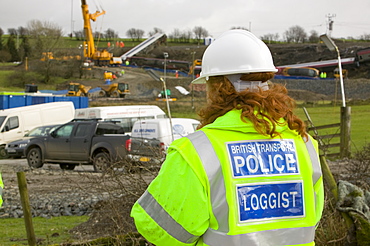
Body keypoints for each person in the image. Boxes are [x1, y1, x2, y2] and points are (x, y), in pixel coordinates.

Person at [131, 29, 324, 246]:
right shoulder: (304, 145)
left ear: (217, 87)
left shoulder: (197, 152)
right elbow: (312, 217)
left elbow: (160, 229)